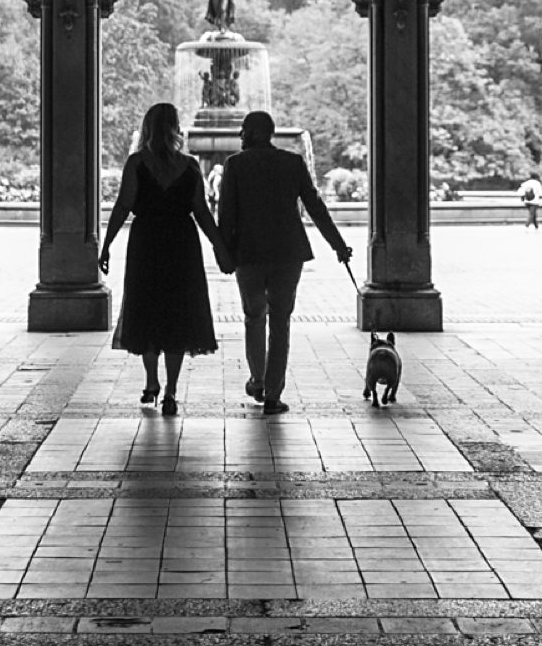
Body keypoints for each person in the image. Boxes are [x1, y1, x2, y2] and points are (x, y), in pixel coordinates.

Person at [217, 110, 352, 415]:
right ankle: (274, 395)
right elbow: (315, 206)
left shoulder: (235, 165)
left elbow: (226, 215)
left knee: (253, 317)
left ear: (251, 133)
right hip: (288, 253)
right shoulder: (292, 162)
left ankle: (258, 379)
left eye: (243, 130)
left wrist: (223, 253)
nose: (239, 135)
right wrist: (338, 245)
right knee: (280, 322)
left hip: (248, 253)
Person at [99, 102, 227, 417]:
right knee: (178, 313)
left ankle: (151, 382)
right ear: (175, 128)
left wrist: (107, 244)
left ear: (147, 127)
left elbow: (122, 206)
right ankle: (170, 391)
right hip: (182, 244)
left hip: (147, 242)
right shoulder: (191, 165)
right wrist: (218, 244)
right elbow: (201, 211)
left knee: (146, 309)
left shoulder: (136, 163)